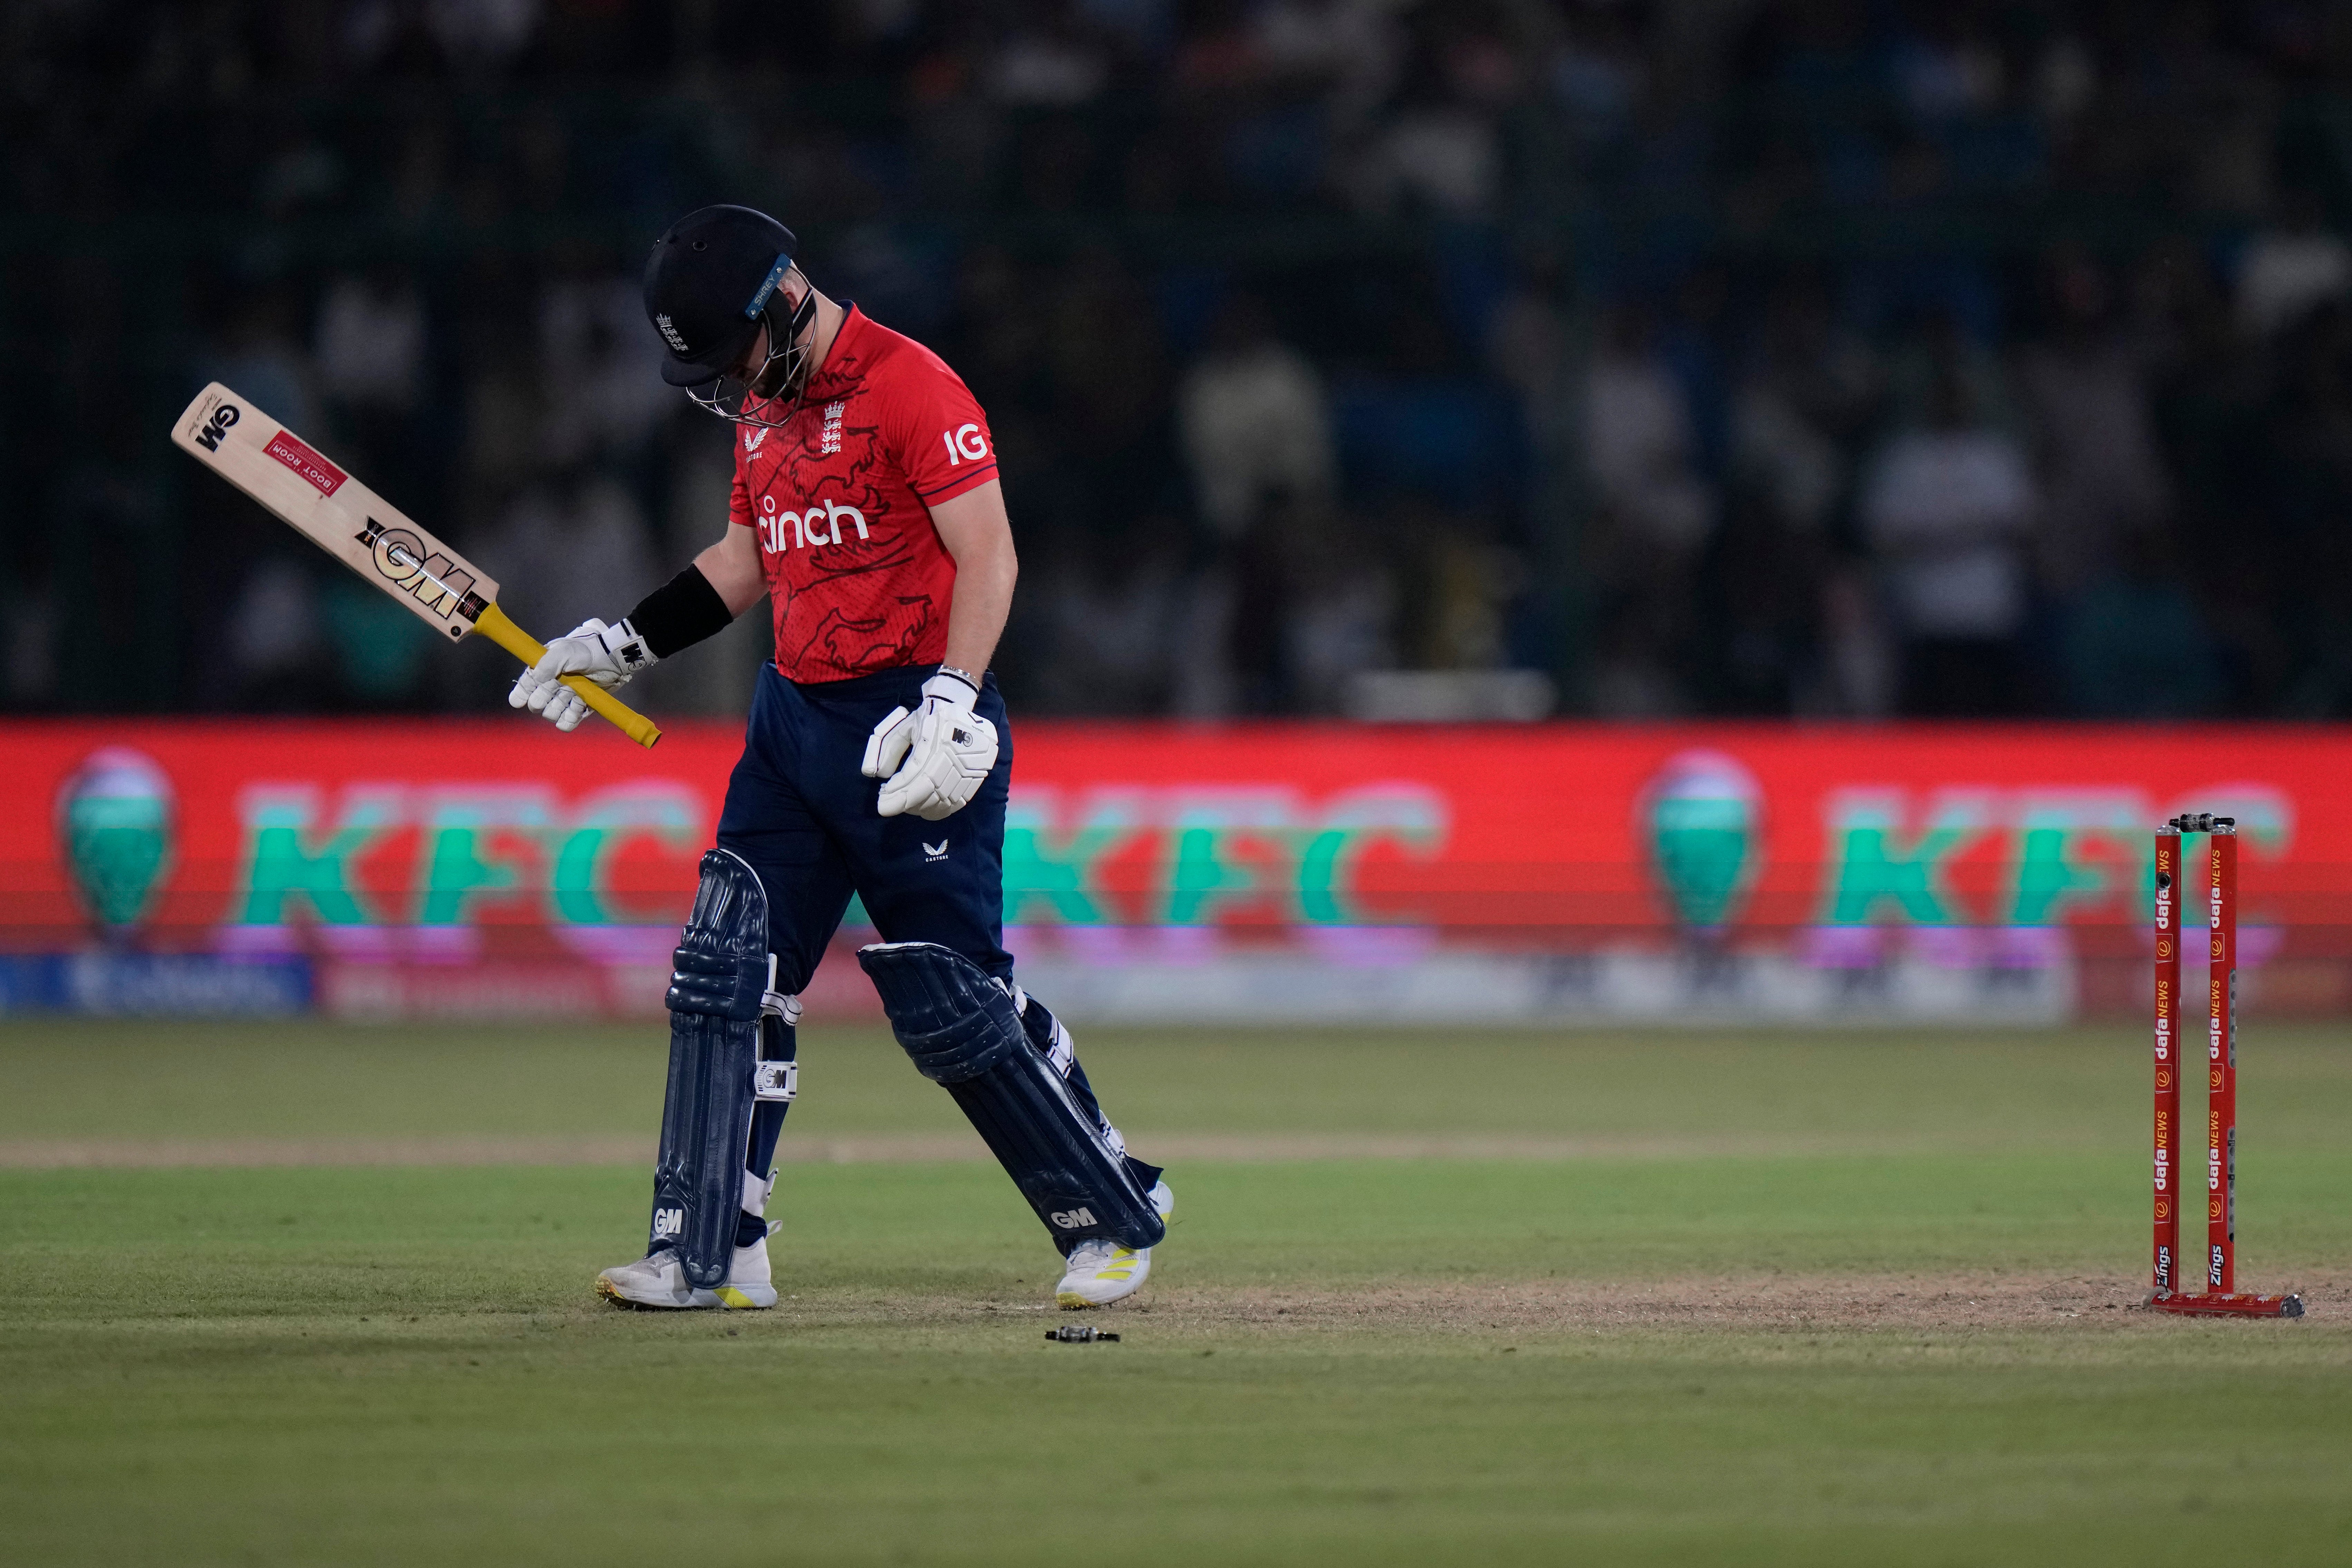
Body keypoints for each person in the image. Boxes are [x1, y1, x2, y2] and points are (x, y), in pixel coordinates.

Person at [509, 205, 1170, 1311]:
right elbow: (742, 561)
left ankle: (1112, 1214)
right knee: (728, 974)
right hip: (791, 727)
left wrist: (956, 700)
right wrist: (623, 642)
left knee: (954, 1003)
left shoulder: (913, 384)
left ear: (782, 299)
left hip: (914, 722)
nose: (729, 385)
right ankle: (712, 1246)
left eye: (733, 356)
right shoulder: (763, 407)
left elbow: (990, 554)